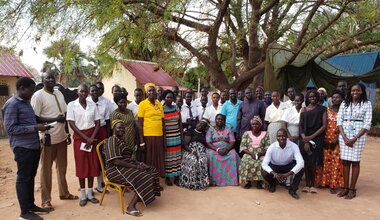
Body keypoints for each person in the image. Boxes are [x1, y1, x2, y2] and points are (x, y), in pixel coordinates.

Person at [3, 77, 52, 220]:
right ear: (22, 88)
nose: (32, 93)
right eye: (31, 90)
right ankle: (24, 213)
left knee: (31, 177)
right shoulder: (12, 104)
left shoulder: (26, 102)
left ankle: (30, 206)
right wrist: (35, 127)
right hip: (22, 147)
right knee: (23, 178)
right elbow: (10, 129)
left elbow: (33, 119)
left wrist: (45, 121)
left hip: (33, 145)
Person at [31, 72, 77, 211]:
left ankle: (64, 193)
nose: (51, 79)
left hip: (61, 137)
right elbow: (35, 118)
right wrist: (55, 120)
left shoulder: (59, 93)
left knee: (62, 168)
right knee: (46, 170)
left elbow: (64, 115)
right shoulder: (38, 96)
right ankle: (46, 200)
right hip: (47, 138)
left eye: (52, 77)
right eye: (47, 78)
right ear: (43, 80)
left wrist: (67, 133)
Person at [104, 120, 162, 217]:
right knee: (144, 177)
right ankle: (130, 207)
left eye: (123, 128)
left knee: (151, 170)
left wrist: (139, 163)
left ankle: (142, 194)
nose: (121, 130)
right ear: (113, 129)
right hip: (114, 169)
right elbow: (115, 161)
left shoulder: (120, 140)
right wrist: (136, 166)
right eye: (119, 128)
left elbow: (127, 159)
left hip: (124, 166)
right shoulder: (111, 140)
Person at [67, 83, 101, 207]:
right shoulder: (72, 105)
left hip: (92, 137)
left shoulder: (92, 105)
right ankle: (83, 194)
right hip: (80, 138)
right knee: (81, 165)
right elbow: (72, 124)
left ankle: (90, 193)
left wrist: (91, 138)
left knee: (92, 164)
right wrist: (86, 138)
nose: (84, 93)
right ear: (77, 91)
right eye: (82, 91)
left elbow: (97, 122)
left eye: (86, 92)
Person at [336, 83, 372, 199]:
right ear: (349, 92)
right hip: (344, 136)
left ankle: (352, 189)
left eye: (358, 90)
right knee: (345, 162)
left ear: (362, 91)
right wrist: (345, 138)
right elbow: (339, 121)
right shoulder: (344, 103)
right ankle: (345, 188)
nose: (355, 92)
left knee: (355, 161)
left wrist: (354, 138)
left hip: (359, 136)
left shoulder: (367, 104)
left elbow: (367, 124)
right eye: (353, 91)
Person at [315, 90, 344, 194]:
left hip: (338, 140)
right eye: (334, 97)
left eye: (338, 97)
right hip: (325, 139)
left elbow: (345, 126)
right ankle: (322, 182)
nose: (335, 99)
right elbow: (321, 125)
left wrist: (338, 138)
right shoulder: (326, 110)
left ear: (342, 99)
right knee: (324, 161)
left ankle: (333, 184)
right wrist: (323, 138)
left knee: (336, 161)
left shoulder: (344, 111)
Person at [261, 129, 304, 199]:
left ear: (287, 136)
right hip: (274, 167)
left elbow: (301, 162)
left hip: (287, 166)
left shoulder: (294, 146)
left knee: (301, 169)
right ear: (276, 137)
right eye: (279, 136)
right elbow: (264, 164)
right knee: (264, 172)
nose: (281, 138)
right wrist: (274, 173)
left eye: (283, 136)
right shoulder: (271, 147)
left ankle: (292, 189)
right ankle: (273, 183)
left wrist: (288, 174)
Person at [299, 89, 327, 194]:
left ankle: (313, 184)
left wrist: (311, 137)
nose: (312, 98)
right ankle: (307, 184)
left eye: (314, 96)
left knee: (313, 162)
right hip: (305, 138)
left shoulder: (322, 109)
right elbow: (300, 126)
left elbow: (324, 126)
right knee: (306, 162)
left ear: (318, 97)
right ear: (307, 98)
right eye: (310, 97)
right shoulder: (304, 109)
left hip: (316, 139)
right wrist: (305, 139)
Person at [138, 83, 165, 177]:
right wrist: (141, 142)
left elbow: (163, 122)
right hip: (148, 136)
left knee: (158, 160)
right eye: (149, 90)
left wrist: (164, 138)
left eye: (153, 90)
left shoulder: (159, 104)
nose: (152, 92)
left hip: (159, 136)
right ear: (146, 92)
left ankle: (156, 180)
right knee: (149, 160)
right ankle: (150, 181)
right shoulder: (142, 104)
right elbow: (140, 124)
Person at [206, 114, 240, 186]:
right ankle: (214, 181)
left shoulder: (228, 129)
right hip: (214, 149)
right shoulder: (210, 129)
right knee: (211, 155)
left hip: (227, 149)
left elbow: (232, 141)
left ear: (224, 121)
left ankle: (232, 181)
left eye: (221, 119)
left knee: (233, 155)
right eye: (218, 119)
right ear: (215, 120)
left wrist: (227, 149)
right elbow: (208, 142)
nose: (220, 120)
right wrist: (218, 149)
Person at [88, 84, 111, 193]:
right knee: (91, 157)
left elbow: (107, 121)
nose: (95, 92)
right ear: (89, 91)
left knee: (101, 157)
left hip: (101, 131)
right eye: (92, 90)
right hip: (90, 132)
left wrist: (107, 136)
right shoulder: (86, 102)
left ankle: (100, 184)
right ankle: (89, 187)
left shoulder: (104, 103)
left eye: (97, 90)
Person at [239, 116, 270, 189]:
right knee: (246, 161)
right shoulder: (246, 133)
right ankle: (247, 181)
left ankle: (260, 181)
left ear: (260, 125)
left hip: (261, 153)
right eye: (253, 124)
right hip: (249, 153)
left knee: (263, 162)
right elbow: (243, 147)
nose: (254, 126)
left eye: (256, 124)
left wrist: (260, 153)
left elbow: (267, 147)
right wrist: (251, 154)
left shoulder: (265, 134)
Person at [179, 119, 210, 190]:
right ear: (197, 123)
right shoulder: (191, 131)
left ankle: (201, 183)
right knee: (193, 160)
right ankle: (191, 183)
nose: (200, 125)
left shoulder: (204, 133)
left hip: (201, 151)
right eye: (200, 123)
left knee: (202, 160)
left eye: (203, 125)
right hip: (190, 150)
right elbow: (185, 144)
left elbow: (206, 144)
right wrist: (193, 152)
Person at [162, 90, 183, 186]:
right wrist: (164, 139)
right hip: (168, 137)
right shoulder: (161, 109)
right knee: (168, 158)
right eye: (167, 97)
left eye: (171, 97)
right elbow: (162, 126)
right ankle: (167, 177)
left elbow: (180, 123)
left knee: (177, 157)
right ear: (164, 98)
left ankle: (176, 177)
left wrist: (181, 136)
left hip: (176, 136)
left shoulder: (176, 108)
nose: (169, 99)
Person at [110, 93, 138, 160]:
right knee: (124, 156)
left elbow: (134, 124)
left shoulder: (130, 112)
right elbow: (114, 130)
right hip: (122, 139)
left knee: (133, 155)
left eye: (124, 102)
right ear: (117, 103)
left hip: (131, 137)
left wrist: (136, 137)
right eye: (120, 102)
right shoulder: (114, 114)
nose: (123, 104)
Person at [221, 88, 243, 153]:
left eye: (234, 93)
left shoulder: (241, 103)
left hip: (239, 130)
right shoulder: (226, 104)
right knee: (230, 148)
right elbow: (223, 117)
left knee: (239, 147)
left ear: (236, 94)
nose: (232, 95)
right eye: (231, 93)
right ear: (229, 95)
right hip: (229, 130)